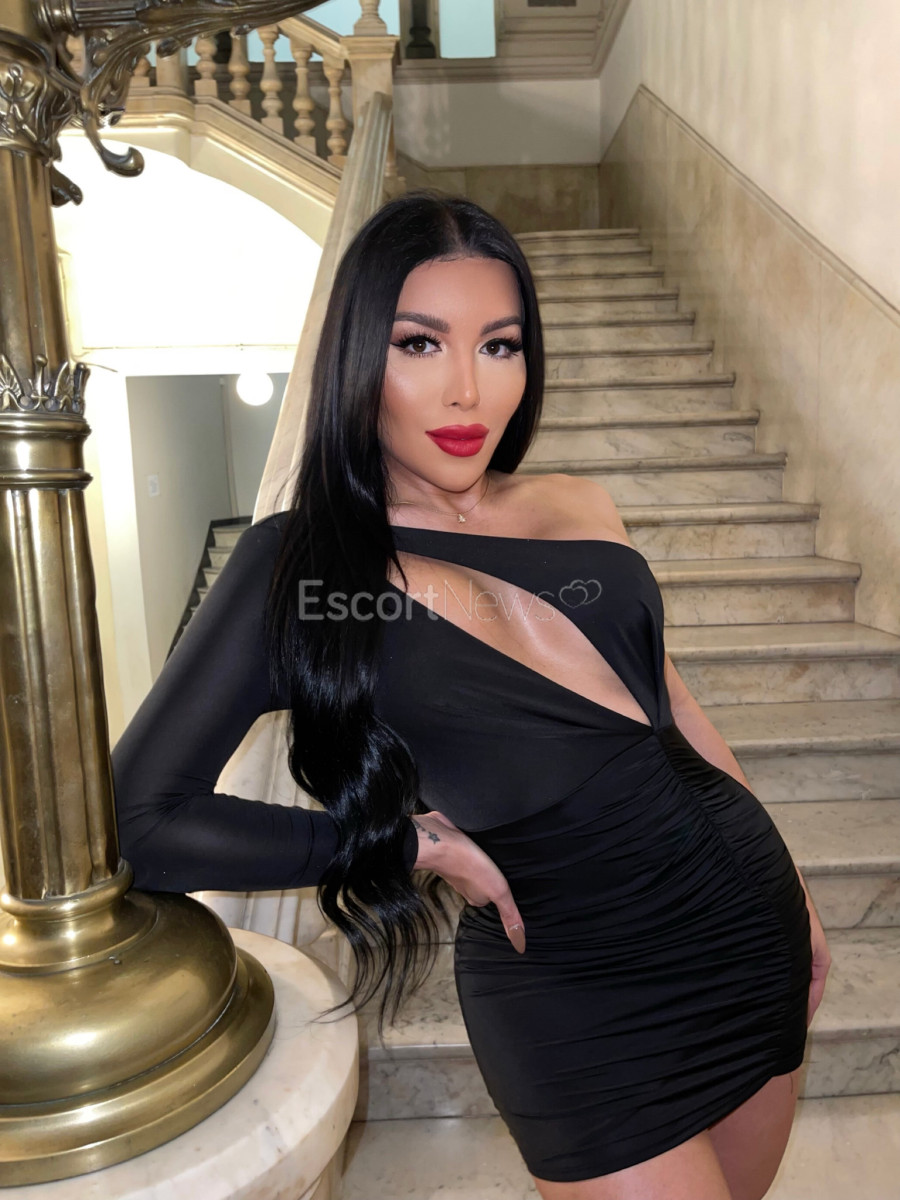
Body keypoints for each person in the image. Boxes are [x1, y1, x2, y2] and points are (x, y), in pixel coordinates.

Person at [112, 189, 831, 1200]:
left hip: (747, 926)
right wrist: (407, 846)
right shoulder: (298, 566)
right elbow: (141, 821)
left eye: (499, 346)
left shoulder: (577, 504)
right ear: (359, 358)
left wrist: (792, 889)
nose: (467, 391)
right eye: (420, 344)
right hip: (576, 995)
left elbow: (672, 708)